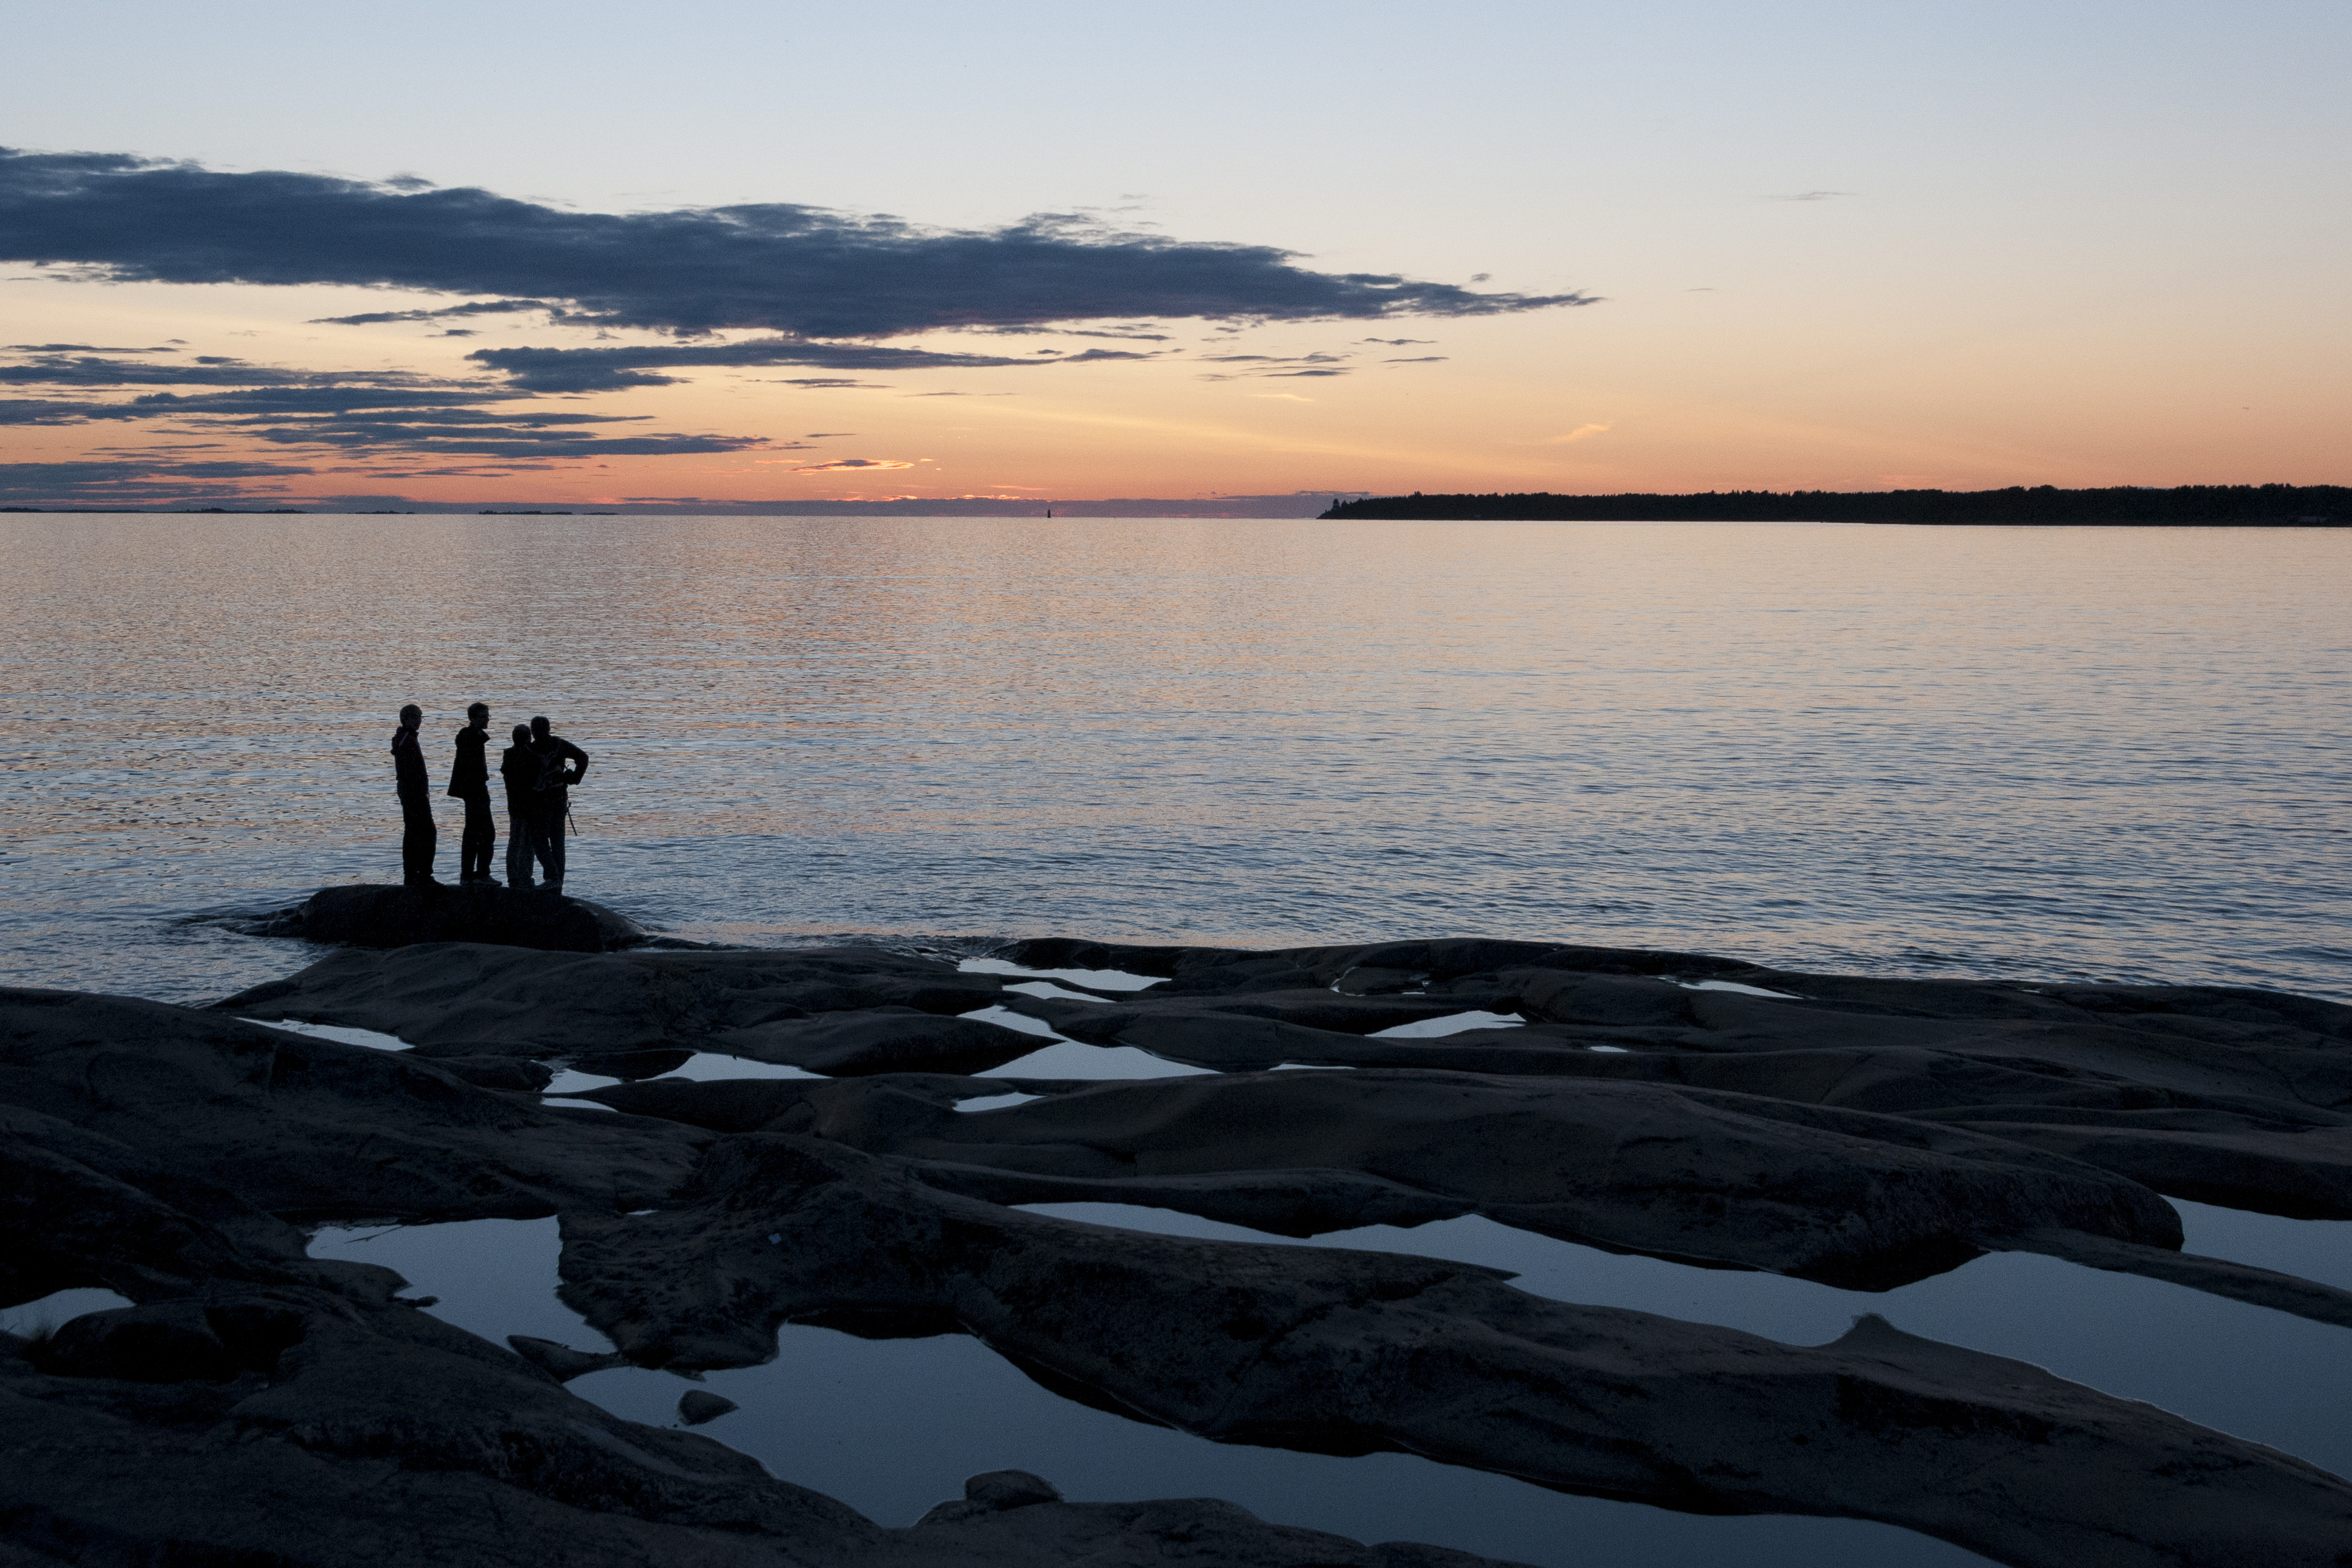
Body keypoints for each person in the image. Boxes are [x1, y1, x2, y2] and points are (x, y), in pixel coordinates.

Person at [526, 714, 590, 892]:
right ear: (549, 729)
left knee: (539, 840)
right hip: (559, 800)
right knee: (557, 843)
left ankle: (553, 878)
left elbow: (583, 758)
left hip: (541, 803)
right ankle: (557, 883)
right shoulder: (559, 745)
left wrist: (574, 778)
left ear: (533, 731)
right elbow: (583, 758)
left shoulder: (530, 749)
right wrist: (574, 778)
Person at [447, 701, 498, 885]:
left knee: (474, 833)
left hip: (473, 790)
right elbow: (470, 768)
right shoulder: (471, 737)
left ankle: (469, 875)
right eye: (483, 716)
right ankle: (480, 874)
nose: (487, 720)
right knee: (485, 833)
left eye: (487, 716)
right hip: (475, 791)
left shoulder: (470, 736)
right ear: (473, 718)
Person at [389, 703, 437, 888]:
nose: (419, 721)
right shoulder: (408, 740)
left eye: (420, 718)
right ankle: (424, 874)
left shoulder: (404, 738)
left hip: (409, 791)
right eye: (417, 718)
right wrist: (421, 792)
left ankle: (411, 874)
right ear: (408, 720)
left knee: (412, 833)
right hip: (414, 793)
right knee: (427, 832)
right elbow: (411, 771)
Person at [498, 723, 541, 888]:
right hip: (529, 805)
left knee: (515, 840)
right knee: (528, 843)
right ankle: (524, 876)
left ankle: (514, 877)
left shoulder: (509, 755)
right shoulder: (530, 756)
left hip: (515, 805)